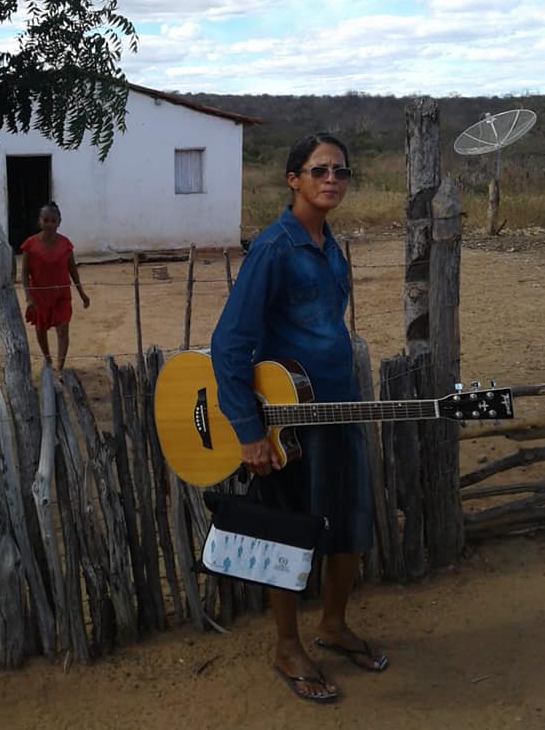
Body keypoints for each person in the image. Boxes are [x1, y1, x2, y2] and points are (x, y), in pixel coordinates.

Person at [210, 132, 388, 705]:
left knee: (350, 526)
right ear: (294, 179)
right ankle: (287, 646)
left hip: (338, 407)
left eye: (340, 171)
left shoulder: (329, 243)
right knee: (286, 536)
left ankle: (332, 625)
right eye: (319, 171)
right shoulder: (275, 248)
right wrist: (249, 431)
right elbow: (229, 342)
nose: (331, 179)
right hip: (288, 420)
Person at [20, 202, 90, 372]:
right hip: (40, 296)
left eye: (53, 220)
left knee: (63, 329)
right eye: (46, 220)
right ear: (40, 222)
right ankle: (47, 358)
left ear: (59, 221)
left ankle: (60, 366)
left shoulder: (66, 244)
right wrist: (28, 297)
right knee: (41, 327)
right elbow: (24, 274)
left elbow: (72, 269)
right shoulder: (30, 245)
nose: (49, 224)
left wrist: (82, 293)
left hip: (61, 295)